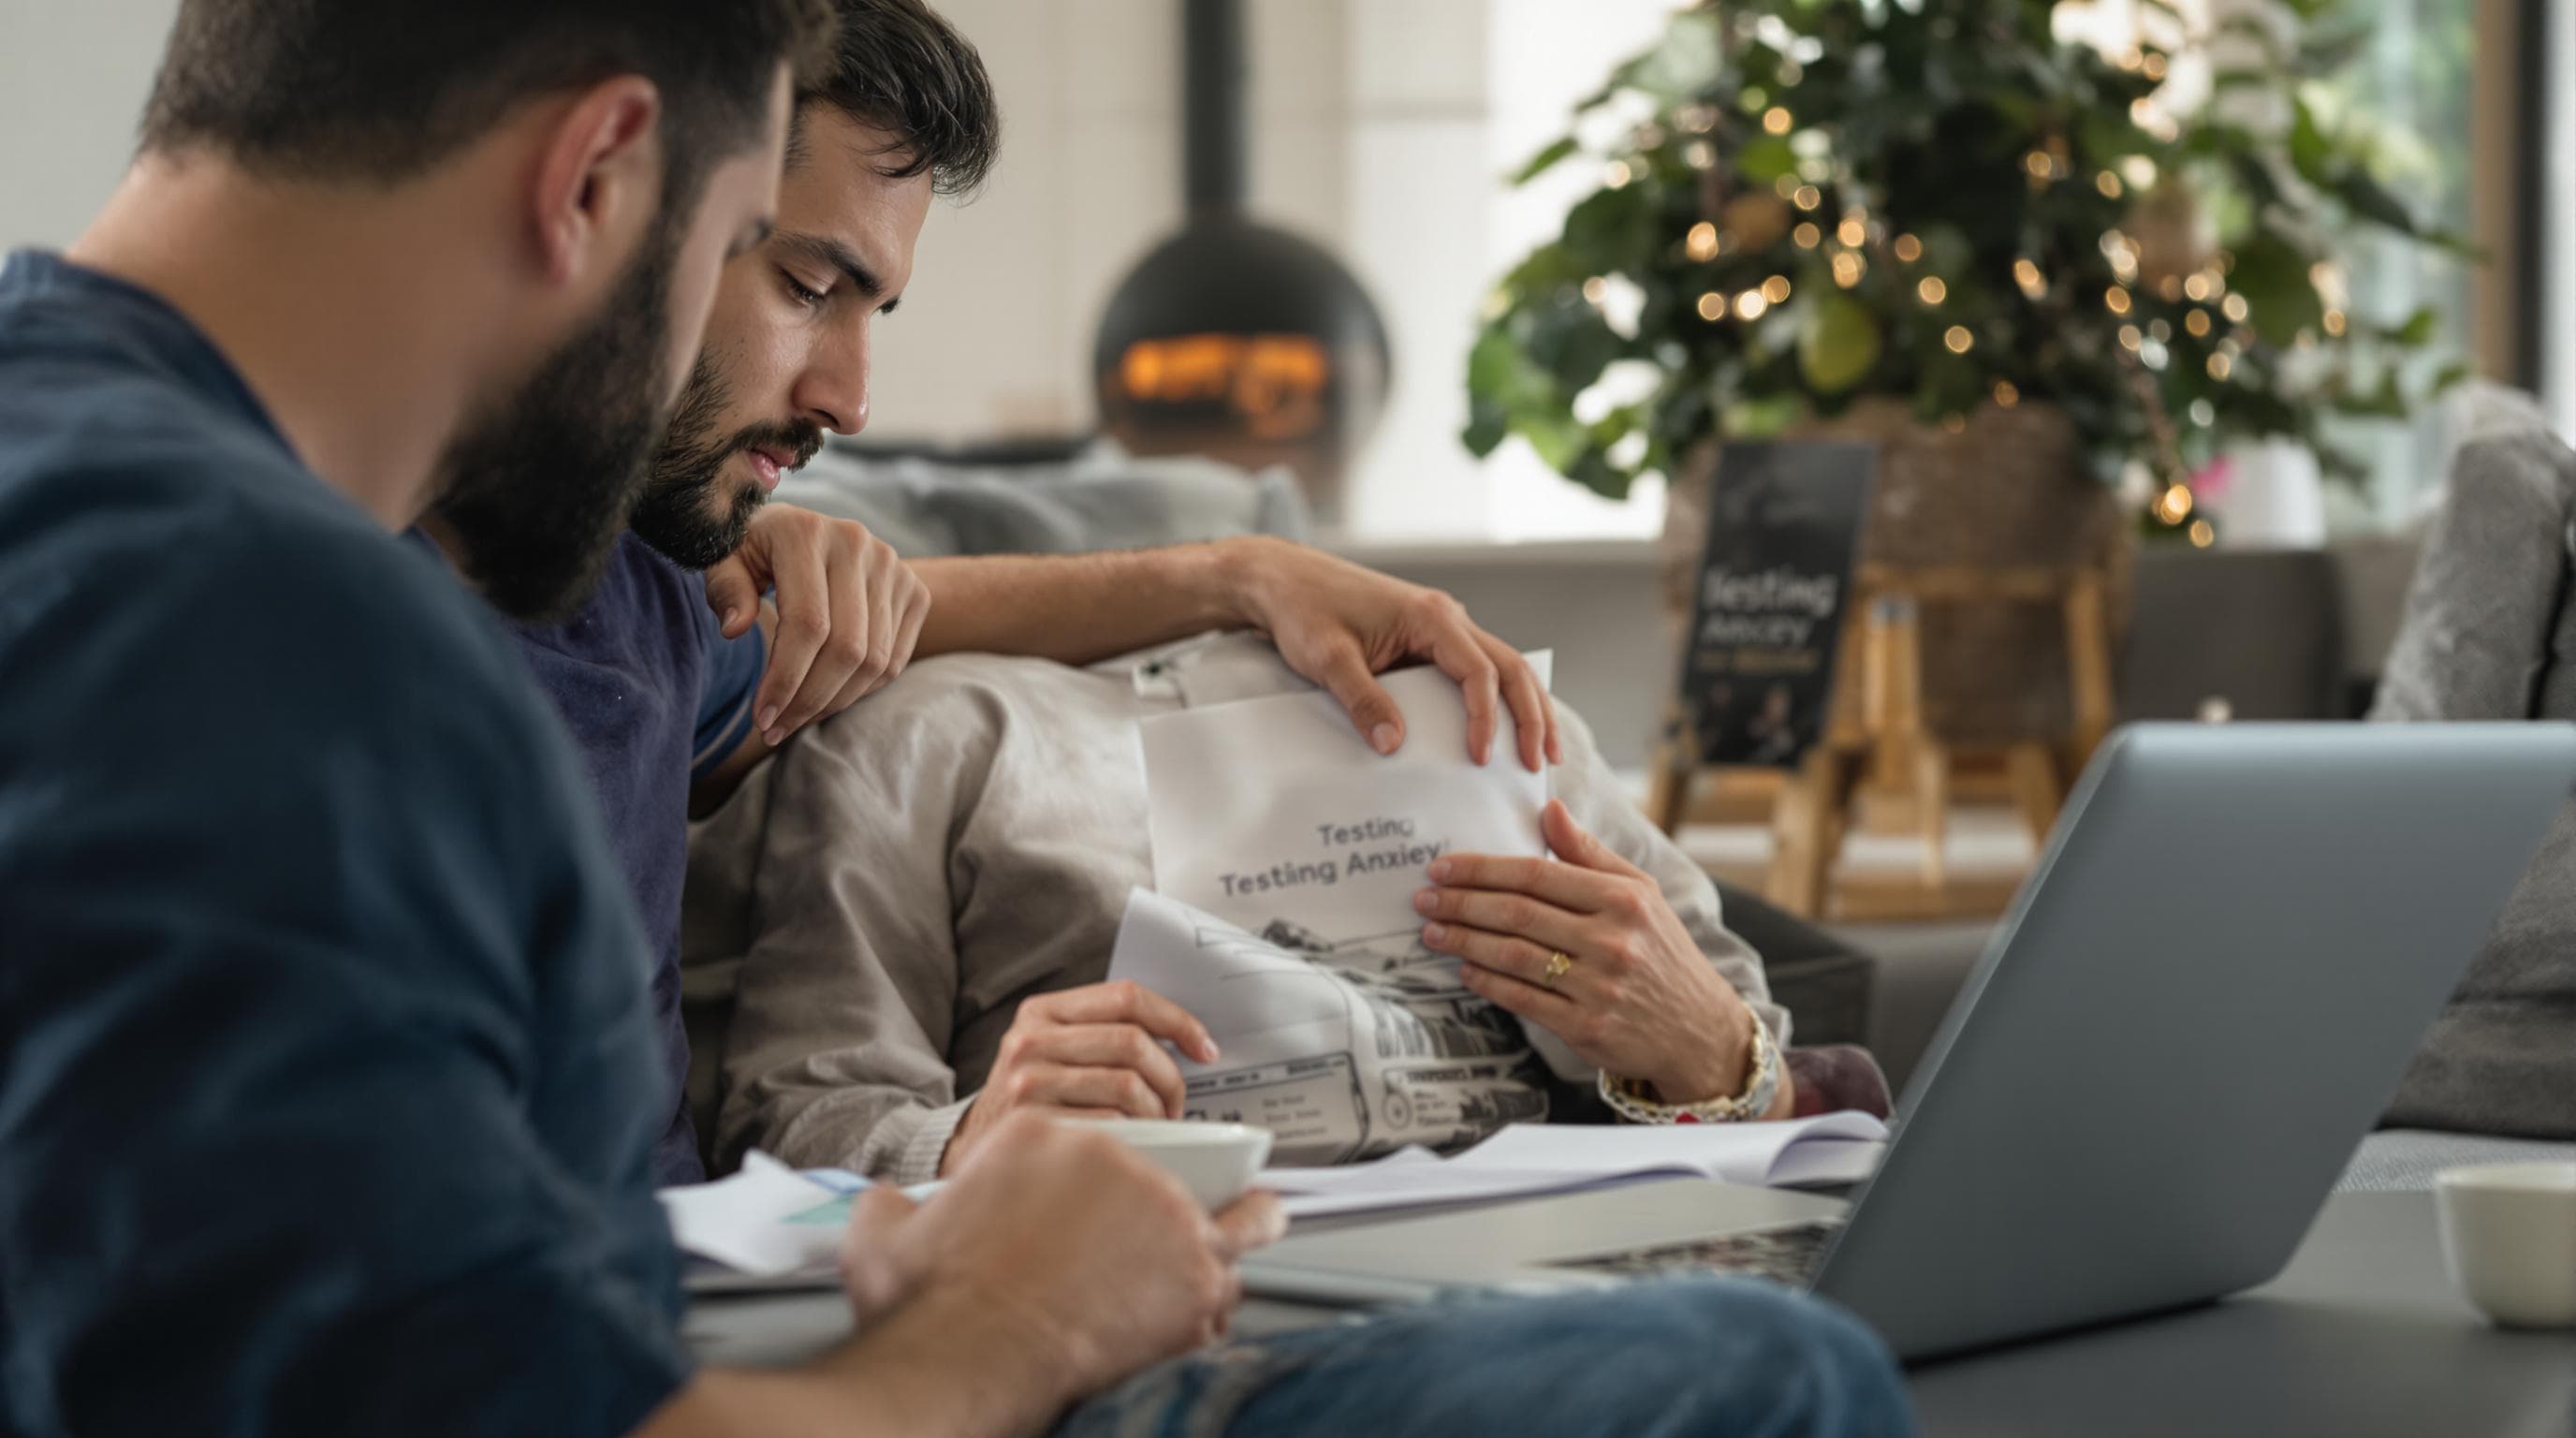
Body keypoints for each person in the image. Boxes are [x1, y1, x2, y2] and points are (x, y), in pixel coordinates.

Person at [0, 3, 1911, 1435]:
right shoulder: (257, 644)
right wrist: (1003, 1318)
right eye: (761, 244)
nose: (834, 389)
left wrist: (1230, 575)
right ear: (593, 176)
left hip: (781, 1323)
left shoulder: (297, 535)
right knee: (1748, 1386)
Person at [472, 0, 1557, 1187]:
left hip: (720, 1301)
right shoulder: (333, 618)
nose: (851, 397)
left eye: (872, 311)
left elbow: (912, 613)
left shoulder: (653, 600)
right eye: (805, 283)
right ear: (602, 201)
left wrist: (1234, 572)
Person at [696, 635, 1821, 1181]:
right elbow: (795, 1116)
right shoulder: (934, 732)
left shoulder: (1498, 721)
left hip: (1579, 1263)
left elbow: (1774, 1107)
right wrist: (963, 1144)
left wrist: (1719, 1052)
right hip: (1181, 1298)